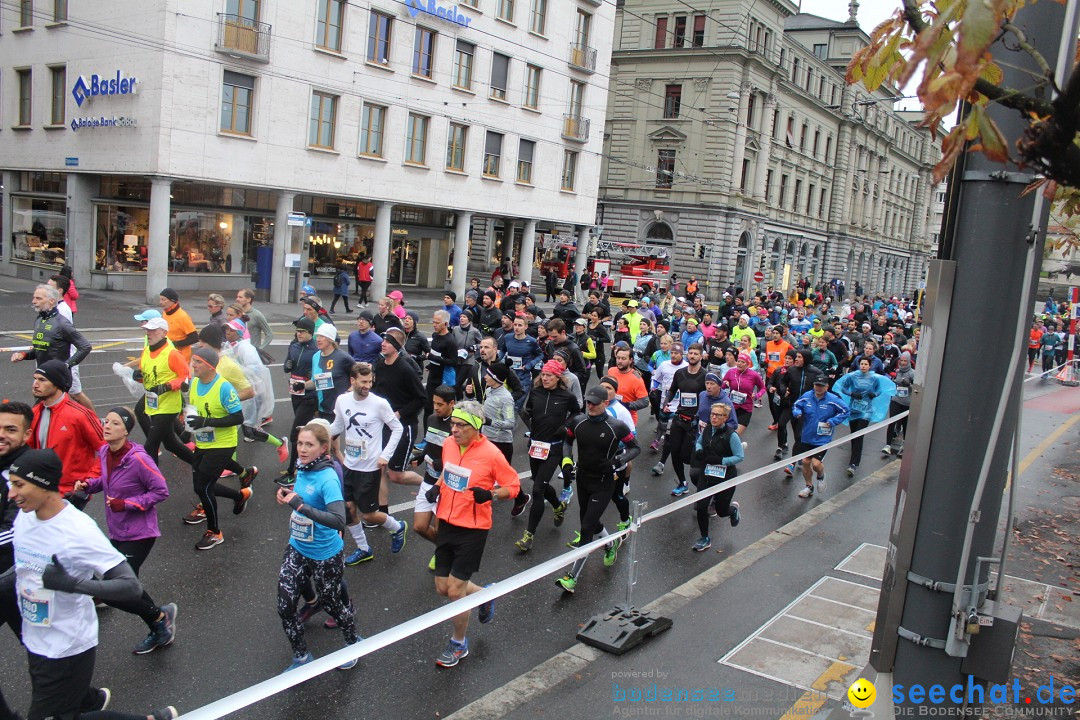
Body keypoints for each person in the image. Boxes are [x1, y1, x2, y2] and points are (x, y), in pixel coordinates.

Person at [2, 448, 179, 720]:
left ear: (43, 484)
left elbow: (129, 586)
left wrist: (72, 584)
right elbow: (25, 568)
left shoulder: (77, 530)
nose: (11, 494)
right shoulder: (25, 516)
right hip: (36, 638)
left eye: (19, 485)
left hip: (67, 646)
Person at [422, 401, 520, 667]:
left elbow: (513, 486)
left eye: (460, 425)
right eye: (452, 424)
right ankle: (485, 595)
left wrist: (490, 494)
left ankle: (458, 644)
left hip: (473, 529)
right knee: (442, 587)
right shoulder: (449, 445)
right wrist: (437, 487)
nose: (453, 430)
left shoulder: (492, 454)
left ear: (476, 426)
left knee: (455, 591)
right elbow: (449, 470)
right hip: (447, 521)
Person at [74, 408, 177, 655]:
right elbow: (108, 481)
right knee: (126, 587)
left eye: (114, 422)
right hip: (117, 530)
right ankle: (161, 621)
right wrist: (90, 484)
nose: (106, 425)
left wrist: (128, 504)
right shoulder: (104, 451)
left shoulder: (139, 459)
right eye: (105, 421)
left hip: (141, 533)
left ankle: (160, 618)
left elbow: (161, 491)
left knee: (115, 591)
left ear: (126, 429)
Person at [275, 422, 360, 672]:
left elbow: (338, 519)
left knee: (333, 604)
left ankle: (353, 643)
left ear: (323, 449)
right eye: (300, 443)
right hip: (297, 548)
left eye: (308, 445)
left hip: (325, 555)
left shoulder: (328, 478)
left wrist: (301, 506)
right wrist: (287, 494)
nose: (301, 449)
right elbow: (302, 494)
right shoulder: (303, 467)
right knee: (284, 605)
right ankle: (301, 657)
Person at [555, 386, 640, 593]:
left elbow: (635, 448)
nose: (590, 406)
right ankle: (610, 543)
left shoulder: (617, 426)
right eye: (588, 402)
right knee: (590, 523)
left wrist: (617, 461)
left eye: (595, 403)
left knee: (585, 528)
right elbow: (567, 441)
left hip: (604, 482)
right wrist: (567, 461)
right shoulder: (578, 422)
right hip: (583, 479)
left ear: (605, 403)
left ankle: (571, 578)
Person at [329, 363, 407, 565]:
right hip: (350, 464)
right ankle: (364, 549)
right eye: (363, 382)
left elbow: (397, 428)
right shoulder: (342, 400)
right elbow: (338, 425)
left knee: (369, 515)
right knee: (348, 509)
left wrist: (385, 455)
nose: (368, 385)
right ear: (352, 381)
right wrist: (318, 439)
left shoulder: (379, 404)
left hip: (370, 467)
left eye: (370, 381)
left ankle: (398, 527)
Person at [184, 347, 252, 551]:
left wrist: (206, 420)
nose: (193, 365)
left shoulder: (224, 388)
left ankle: (215, 532)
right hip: (203, 442)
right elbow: (196, 410)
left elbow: (237, 417)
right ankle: (239, 496)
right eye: (193, 361)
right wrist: (189, 427)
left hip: (223, 444)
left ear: (210, 366)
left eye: (197, 362)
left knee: (203, 487)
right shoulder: (195, 383)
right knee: (201, 486)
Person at [513, 366, 579, 552]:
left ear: (558, 377)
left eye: (549, 375)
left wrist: (565, 426)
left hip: (554, 447)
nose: (545, 378)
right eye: (543, 375)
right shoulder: (535, 392)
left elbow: (576, 412)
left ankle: (529, 535)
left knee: (537, 489)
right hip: (535, 446)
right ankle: (558, 506)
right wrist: (532, 424)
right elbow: (527, 410)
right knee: (538, 482)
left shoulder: (567, 396)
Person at [27, 360, 104, 500]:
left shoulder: (80, 414)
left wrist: (89, 481)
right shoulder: (34, 413)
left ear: (57, 384)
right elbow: (28, 451)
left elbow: (107, 449)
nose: (35, 384)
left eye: (42, 380)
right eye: (35, 379)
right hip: (41, 489)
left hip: (70, 493)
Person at [11, 284, 94, 411]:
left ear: (51, 301)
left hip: (57, 380)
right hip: (42, 377)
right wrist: (23, 355)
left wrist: (66, 365)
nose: (33, 301)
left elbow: (85, 346)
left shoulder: (62, 323)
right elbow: (40, 348)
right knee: (43, 415)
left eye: (38, 298)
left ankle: (93, 425)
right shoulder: (39, 320)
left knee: (38, 414)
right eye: (34, 298)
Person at [372, 328, 427, 515]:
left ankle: (429, 484)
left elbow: (421, 398)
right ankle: (382, 511)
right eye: (383, 340)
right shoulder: (379, 364)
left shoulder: (405, 368)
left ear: (396, 346)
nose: (383, 343)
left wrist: (398, 414)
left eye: (387, 341)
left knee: (395, 475)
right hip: (382, 425)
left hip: (404, 426)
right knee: (379, 467)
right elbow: (376, 392)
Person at [133, 317, 194, 469]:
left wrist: (166, 387)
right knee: (170, 444)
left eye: (153, 330)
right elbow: (147, 374)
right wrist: (138, 376)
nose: (149, 333)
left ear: (164, 332)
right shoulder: (146, 350)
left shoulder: (172, 354)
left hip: (168, 406)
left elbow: (186, 377)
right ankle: (200, 466)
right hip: (153, 403)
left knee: (150, 445)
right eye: (147, 330)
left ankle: (153, 484)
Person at [411, 385, 456, 569]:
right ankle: (445, 549)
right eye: (434, 403)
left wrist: (443, 463)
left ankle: (442, 554)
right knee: (419, 526)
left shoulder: (457, 426)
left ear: (452, 404)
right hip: (429, 479)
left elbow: (460, 457)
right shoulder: (431, 419)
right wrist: (421, 456)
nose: (436, 408)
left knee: (440, 528)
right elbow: (431, 442)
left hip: (445, 483)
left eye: (440, 404)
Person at [689, 402, 743, 552]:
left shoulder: (731, 435)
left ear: (725, 418)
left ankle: (732, 510)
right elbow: (699, 442)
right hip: (707, 473)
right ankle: (705, 538)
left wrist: (722, 461)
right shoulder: (707, 428)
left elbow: (740, 456)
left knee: (721, 511)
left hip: (725, 476)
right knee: (701, 507)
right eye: (712, 414)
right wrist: (699, 450)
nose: (713, 417)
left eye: (718, 415)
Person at [833, 356, 896, 478]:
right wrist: (852, 394)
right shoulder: (852, 376)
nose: (863, 366)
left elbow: (880, 390)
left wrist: (874, 394)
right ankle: (854, 457)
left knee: (859, 435)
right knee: (853, 435)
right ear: (858, 364)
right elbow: (842, 388)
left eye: (866, 364)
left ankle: (853, 463)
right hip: (854, 409)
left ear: (870, 366)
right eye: (861, 364)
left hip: (866, 411)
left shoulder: (874, 378)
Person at [659, 343, 707, 497]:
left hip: (695, 421)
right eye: (690, 353)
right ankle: (682, 483)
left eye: (695, 354)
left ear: (701, 356)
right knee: (674, 451)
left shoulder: (705, 375)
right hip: (679, 418)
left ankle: (704, 484)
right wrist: (667, 402)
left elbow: (709, 398)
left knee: (686, 456)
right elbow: (672, 389)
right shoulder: (680, 373)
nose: (692, 356)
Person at [790, 377, 849, 499]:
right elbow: (796, 405)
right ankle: (809, 486)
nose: (818, 388)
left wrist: (833, 421)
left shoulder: (833, 399)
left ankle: (821, 475)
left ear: (827, 387)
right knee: (806, 462)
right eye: (816, 385)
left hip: (822, 438)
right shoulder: (807, 396)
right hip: (807, 436)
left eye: (821, 385)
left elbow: (845, 411)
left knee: (816, 464)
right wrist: (797, 412)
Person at [281, 318, 320, 484]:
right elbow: (286, 366)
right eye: (297, 331)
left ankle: (292, 471)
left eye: (302, 331)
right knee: (309, 431)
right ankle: (314, 462)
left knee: (295, 434)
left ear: (310, 333)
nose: (299, 334)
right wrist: (287, 366)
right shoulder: (294, 345)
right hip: (295, 394)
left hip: (309, 397)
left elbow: (320, 374)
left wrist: (311, 376)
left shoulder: (316, 350)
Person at [309, 324, 354, 422]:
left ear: (330, 339)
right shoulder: (315, 357)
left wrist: (348, 393)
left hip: (338, 408)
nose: (318, 339)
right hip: (322, 407)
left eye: (322, 336)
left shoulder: (343, 358)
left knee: (332, 436)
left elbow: (359, 377)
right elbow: (314, 382)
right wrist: (300, 386)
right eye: (317, 336)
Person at [883, 351, 914, 456]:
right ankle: (887, 445)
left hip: (907, 403)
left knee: (905, 425)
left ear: (909, 361)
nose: (903, 362)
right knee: (891, 421)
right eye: (902, 360)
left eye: (905, 361)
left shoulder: (912, 373)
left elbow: (917, 389)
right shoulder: (898, 371)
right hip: (896, 400)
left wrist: (909, 385)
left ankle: (905, 445)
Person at [155, 288, 199, 361]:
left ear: (173, 301)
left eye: (164, 300)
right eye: (160, 299)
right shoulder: (165, 313)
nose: (160, 302)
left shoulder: (182, 317)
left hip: (181, 357)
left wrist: (173, 344)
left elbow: (194, 338)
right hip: (167, 354)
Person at [236, 289, 274, 359]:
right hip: (238, 354)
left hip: (251, 356)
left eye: (240, 297)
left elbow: (269, 334)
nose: (237, 299)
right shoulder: (236, 314)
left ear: (248, 299)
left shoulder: (257, 315)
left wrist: (259, 350)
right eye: (237, 297)